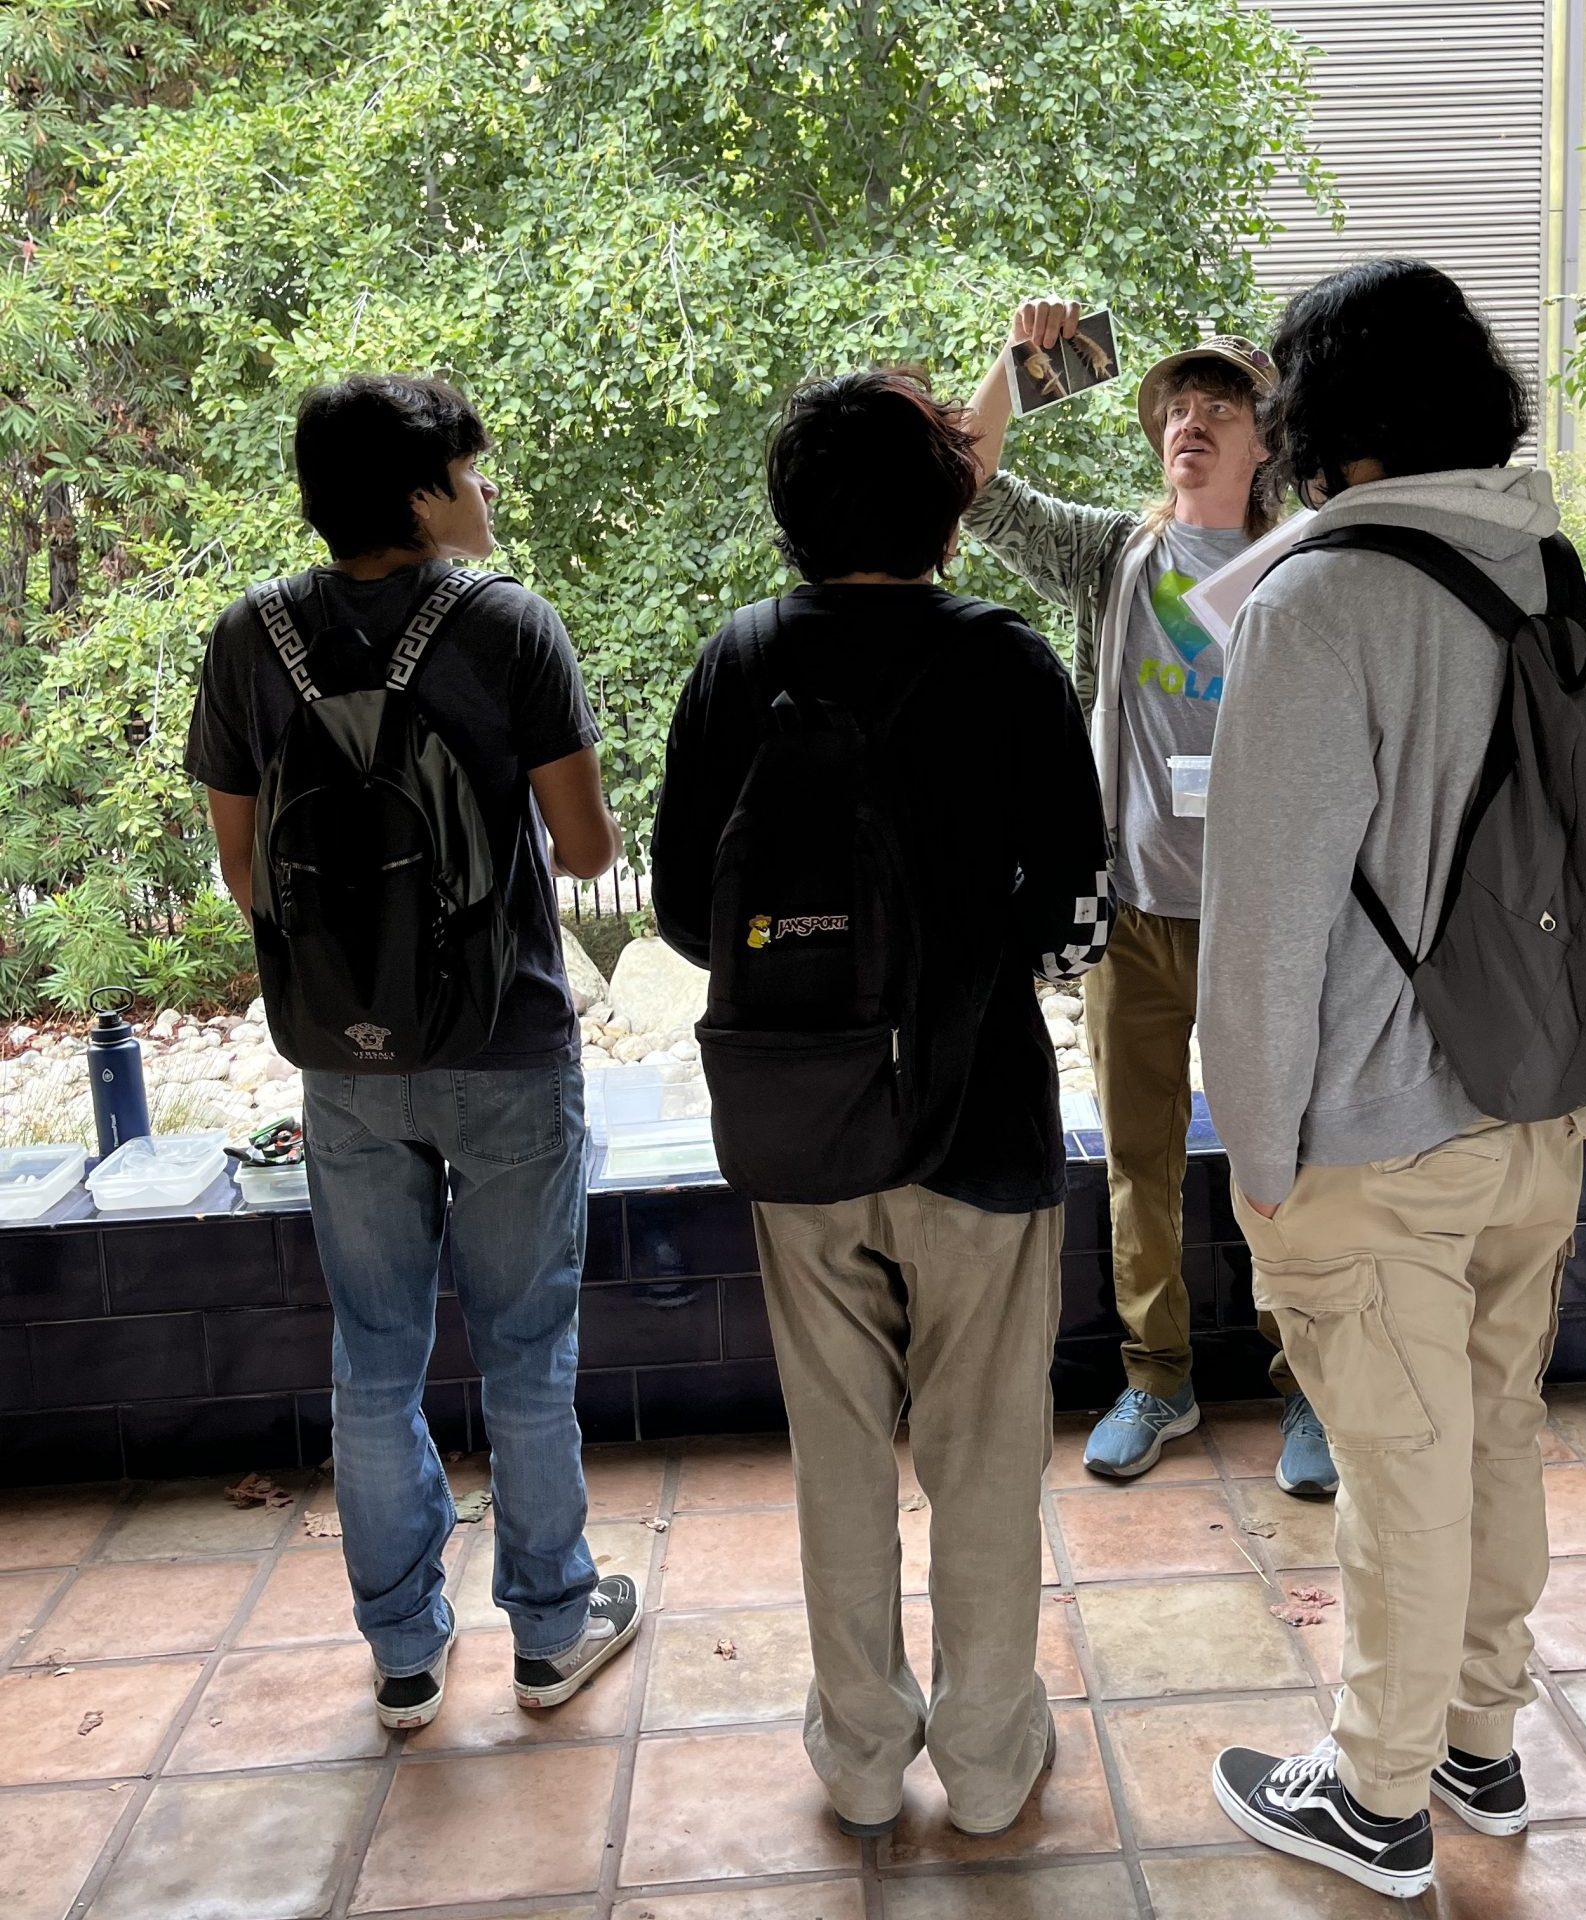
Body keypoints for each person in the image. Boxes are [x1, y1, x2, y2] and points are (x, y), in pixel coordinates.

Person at [650, 369, 1111, 1841]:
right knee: (984, 1448)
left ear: (793, 515)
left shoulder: (735, 664)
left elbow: (674, 908)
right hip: (980, 1118)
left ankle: (858, 1759)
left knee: (839, 1449)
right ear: (948, 509)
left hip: (801, 1126)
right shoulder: (1013, 666)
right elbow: (1080, 923)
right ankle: (987, 1763)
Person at [1200, 260, 1586, 1900]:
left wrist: (1255, 1139)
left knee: (1400, 1465)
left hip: (1375, 1132)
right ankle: (1477, 1749)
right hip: (1538, 1108)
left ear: (1327, 412)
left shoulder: (1321, 601)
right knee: (1494, 1431)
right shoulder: (1539, 565)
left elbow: (1266, 919)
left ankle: (1372, 1799)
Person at [186, 373, 639, 1731]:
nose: (484, 491)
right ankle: (552, 1631)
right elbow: (590, 851)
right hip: (503, 1041)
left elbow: (239, 868)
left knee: (374, 1352)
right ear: (421, 491)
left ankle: (403, 1656)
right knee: (527, 1346)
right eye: (471, 468)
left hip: (344, 1062)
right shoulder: (509, 628)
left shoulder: (246, 640)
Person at [964, 300, 1336, 1489]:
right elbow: (970, 487)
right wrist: (1023, 367)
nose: (1192, 417)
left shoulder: (1310, 566)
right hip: (1133, 921)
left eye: (1221, 403)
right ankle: (1157, 1380)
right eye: (1177, 403)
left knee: (1286, 1161)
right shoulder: (1112, 557)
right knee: (1141, 1162)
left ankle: (1312, 1389)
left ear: (1266, 437)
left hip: (1265, 928)